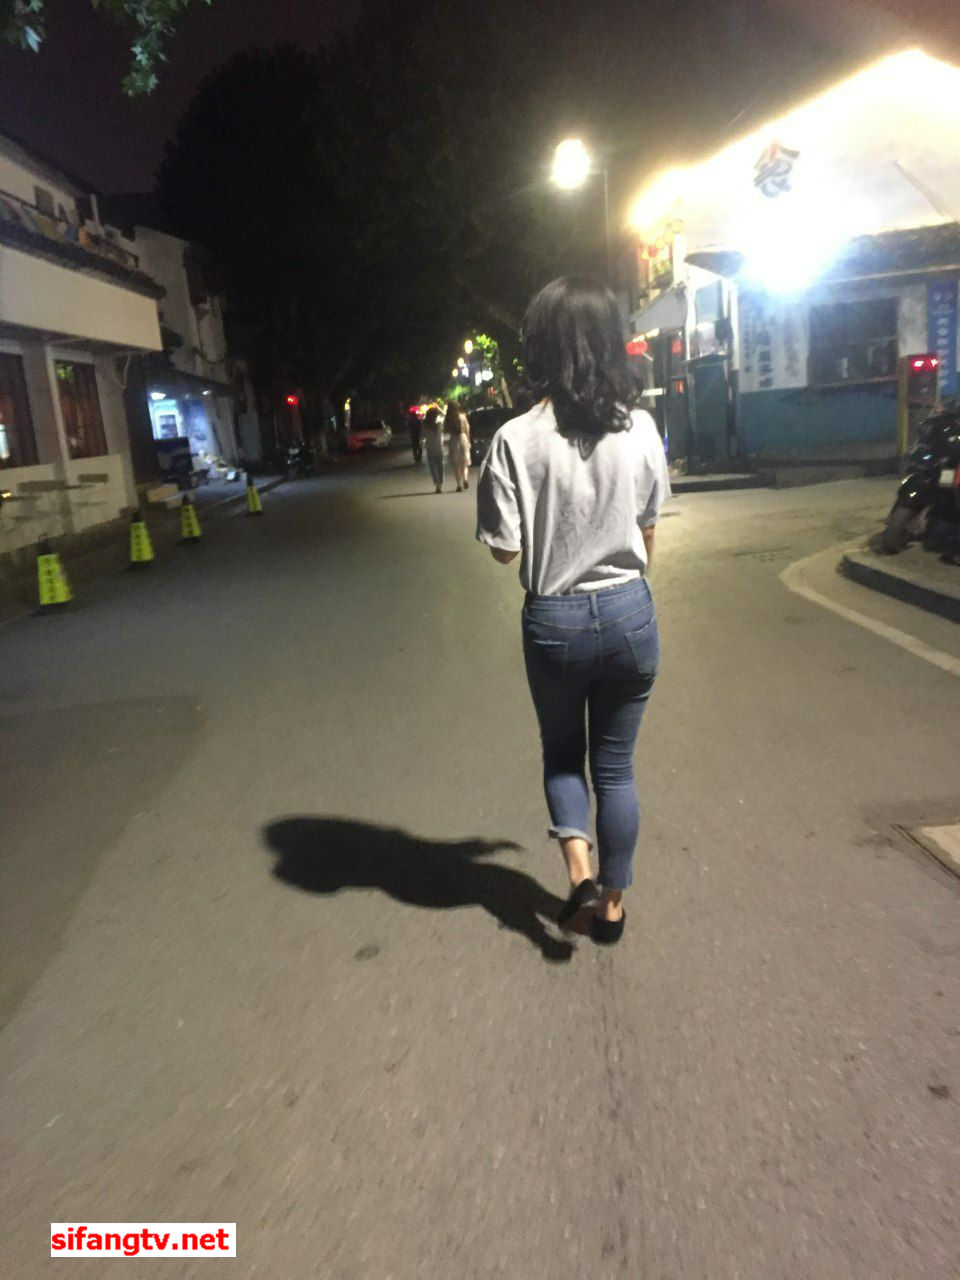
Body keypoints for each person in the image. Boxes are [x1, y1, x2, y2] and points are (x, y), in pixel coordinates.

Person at [476, 276, 670, 946]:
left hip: (554, 619)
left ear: (540, 346)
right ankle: (612, 909)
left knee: (564, 756)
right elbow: (649, 529)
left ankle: (580, 872)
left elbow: (504, 550)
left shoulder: (513, 439)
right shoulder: (641, 428)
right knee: (616, 768)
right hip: (629, 610)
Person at [446, 401, 472, 492]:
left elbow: (446, 430)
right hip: (463, 438)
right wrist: (469, 442)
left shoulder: (448, 419)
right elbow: (467, 430)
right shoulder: (462, 417)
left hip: (453, 440)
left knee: (456, 465)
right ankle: (465, 479)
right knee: (464, 463)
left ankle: (459, 485)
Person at [422, 406, 446, 492]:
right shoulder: (439, 425)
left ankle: (437, 484)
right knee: (440, 466)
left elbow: (422, 437)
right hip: (439, 447)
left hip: (430, 448)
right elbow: (441, 434)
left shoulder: (425, 426)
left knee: (433, 467)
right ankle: (440, 483)